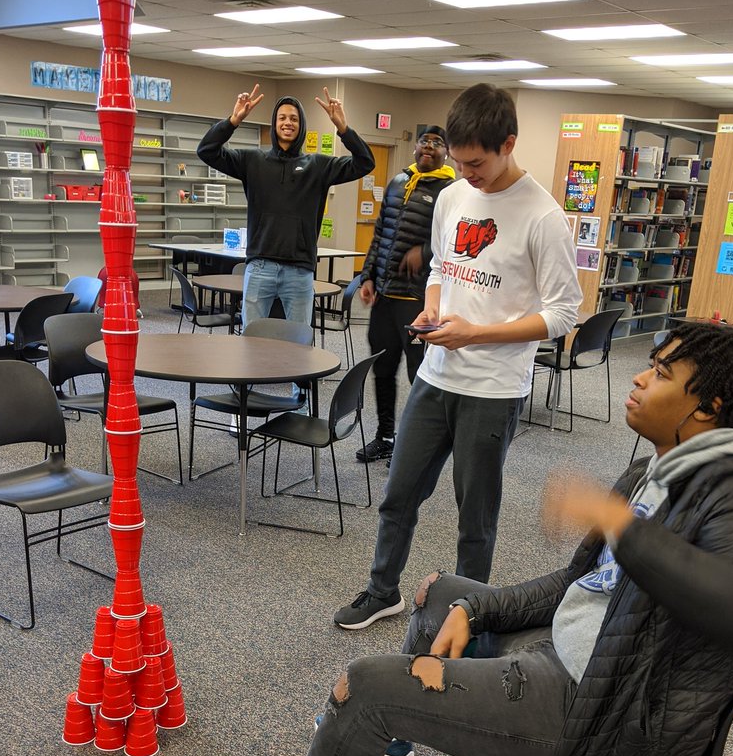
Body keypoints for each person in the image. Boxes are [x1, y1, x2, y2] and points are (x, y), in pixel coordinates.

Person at [183, 323, 733, 756]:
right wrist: (477, 611)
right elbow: (576, 583)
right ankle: (385, 737)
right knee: (440, 593)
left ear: (709, 408)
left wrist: (620, 526)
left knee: (363, 685)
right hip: (585, 658)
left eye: (661, 373)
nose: (639, 378)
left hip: (603, 722)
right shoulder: (656, 469)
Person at [333, 84, 582, 650]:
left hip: (493, 388)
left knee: (476, 519)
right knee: (398, 496)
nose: (467, 173)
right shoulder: (451, 198)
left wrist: (480, 334)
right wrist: (434, 305)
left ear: (508, 144)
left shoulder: (543, 216)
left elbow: (564, 313)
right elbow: (443, 266)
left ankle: (470, 617)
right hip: (435, 375)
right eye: (458, 161)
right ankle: (382, 590)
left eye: (477, 163)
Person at [198, 85, 374, 332]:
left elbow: (365, 163)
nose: (288, 123)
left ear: (301, 125)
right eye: (282, 118)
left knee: (299, 344)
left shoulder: (318, 166)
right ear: (274, 123)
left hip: (299, 271)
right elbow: (206, 151)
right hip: (260, 267)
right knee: (251, 340)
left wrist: (343, 129)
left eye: (294, 118)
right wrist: (233, 121)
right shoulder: (252, 161)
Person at [355, 126, 456, 465]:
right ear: (415, 147)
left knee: (419, 375)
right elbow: (380, 233)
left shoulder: (451, 191)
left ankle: (415, 445)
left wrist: (424, 252)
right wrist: (368, 276)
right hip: (385, 297)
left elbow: (454, 241)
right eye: (425, 141)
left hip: (418, 300)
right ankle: (385, 436)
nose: (429, 147)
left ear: (447, 152)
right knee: (383, 370)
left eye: (437, 143)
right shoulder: (399, 182)